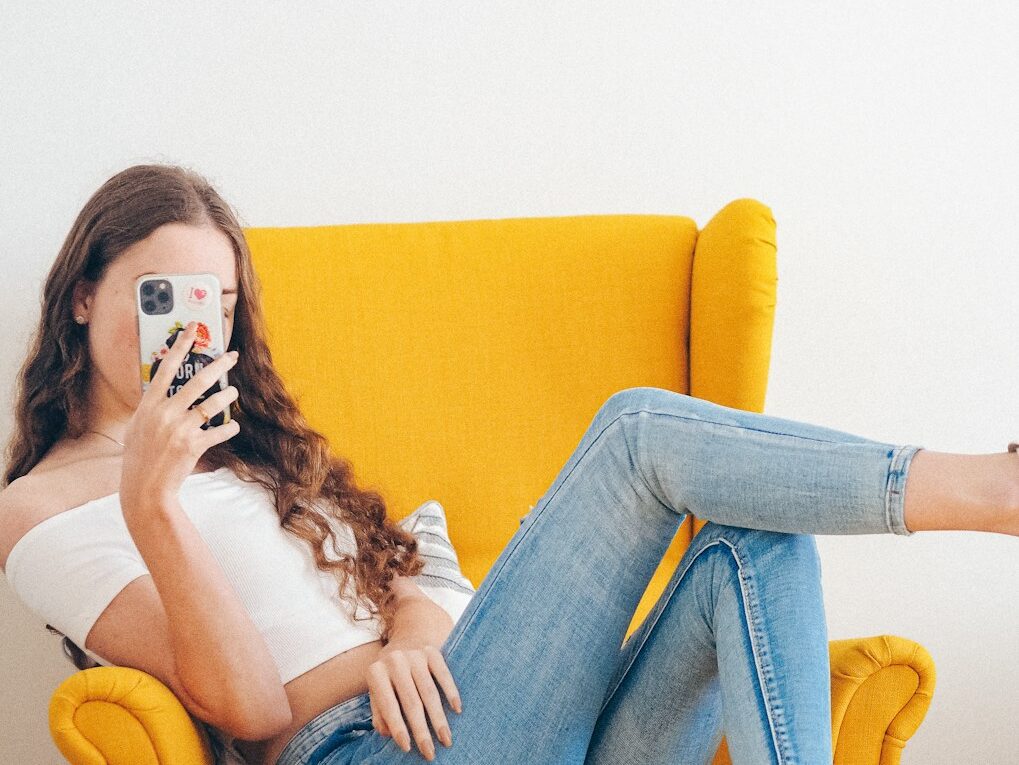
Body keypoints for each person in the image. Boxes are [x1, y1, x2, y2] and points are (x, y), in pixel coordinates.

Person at [1, 163, 1016, 765]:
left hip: (479, 711)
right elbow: (251, 710)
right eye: (159, 296)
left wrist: (409, 635)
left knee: (756, 543)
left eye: (215, 303)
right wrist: (152, 502)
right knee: (631, 435)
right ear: (83, 296)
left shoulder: (259, 457)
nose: (192, 330)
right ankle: (988, 489)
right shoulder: (40, 509)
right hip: (364, 754)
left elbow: (422, 564)